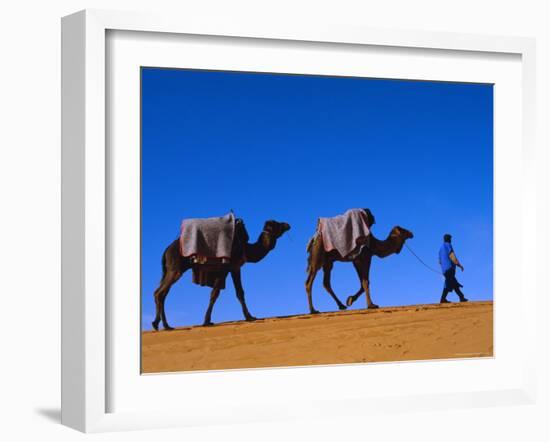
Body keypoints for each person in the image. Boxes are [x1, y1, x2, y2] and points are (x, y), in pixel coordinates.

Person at [438, 234, 468, 303]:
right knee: (449, 283)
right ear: (448, 239)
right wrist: (459, 265)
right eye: (450, 239)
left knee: (453, 283)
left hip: (444, 270)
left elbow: (439, 261)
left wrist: (444, 267)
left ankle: (461, 297)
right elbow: (452, 256)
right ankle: (443, 299)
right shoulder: (448, 245)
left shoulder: (440, 249)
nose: (451, 240)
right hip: (450, 268)